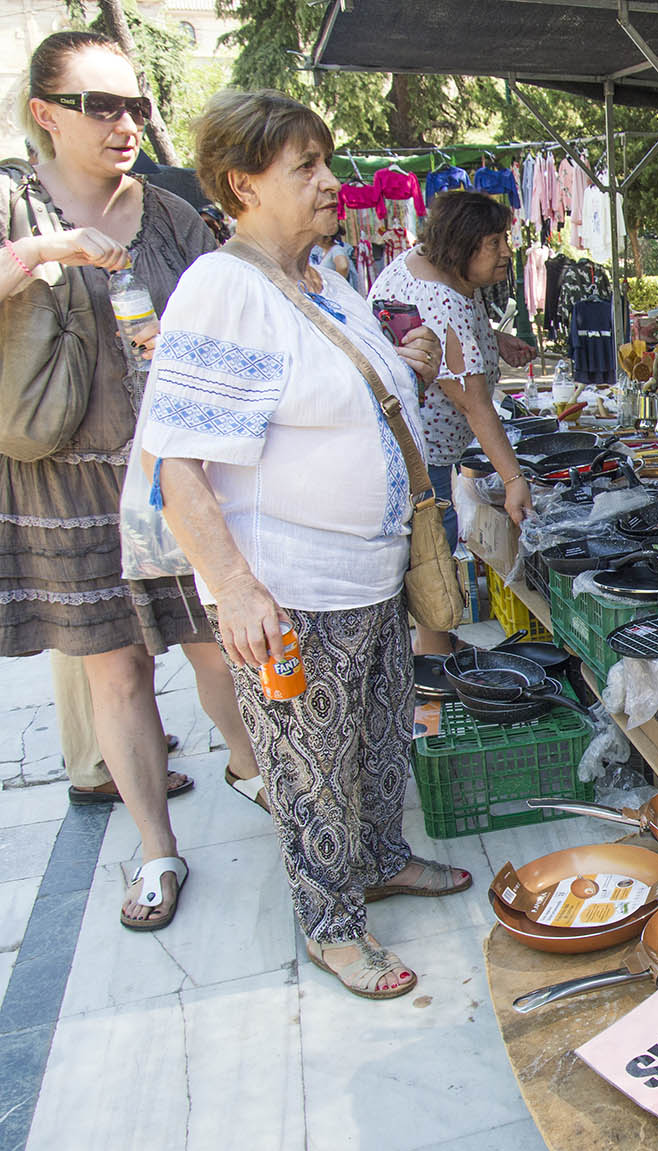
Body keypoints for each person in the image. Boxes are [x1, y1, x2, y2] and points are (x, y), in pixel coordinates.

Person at [144, 90, 469, 1001]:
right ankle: (332, 924)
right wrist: (238, 592)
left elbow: (341, 391)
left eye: (328, 161)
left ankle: (380, 861)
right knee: (310, 768)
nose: (332, 182)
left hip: (367, 572)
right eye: (306, 168)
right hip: (291, 589)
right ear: (242, 184)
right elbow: (178, 466)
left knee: (371, 743)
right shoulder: (222, 287)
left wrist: (411, 371)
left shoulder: (324, 279)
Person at [0, 31, 260, 930]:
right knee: (117, 670)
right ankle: (157, 849)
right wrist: (48, 251)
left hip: (169, 474)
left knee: (216, 642)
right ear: (45, 114)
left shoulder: (170, 211)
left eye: (136, 107)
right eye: (101, 106)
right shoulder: (14, 201)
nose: (125, 125)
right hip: (63, 483)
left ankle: (256, 770)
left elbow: (230, 307)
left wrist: (181, 342)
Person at [368, 189, 536, 655]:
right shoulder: (445, 304)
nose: (507, 252)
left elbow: (450, 347)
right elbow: (475, 406)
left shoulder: (420, 263)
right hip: (420, 455)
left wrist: (494, 341)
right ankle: (434, 658)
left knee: (426, 552)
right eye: (495, 242)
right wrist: (514, 478)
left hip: (396, 444)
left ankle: (435, 643)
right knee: (431, 553)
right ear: (463, 244)